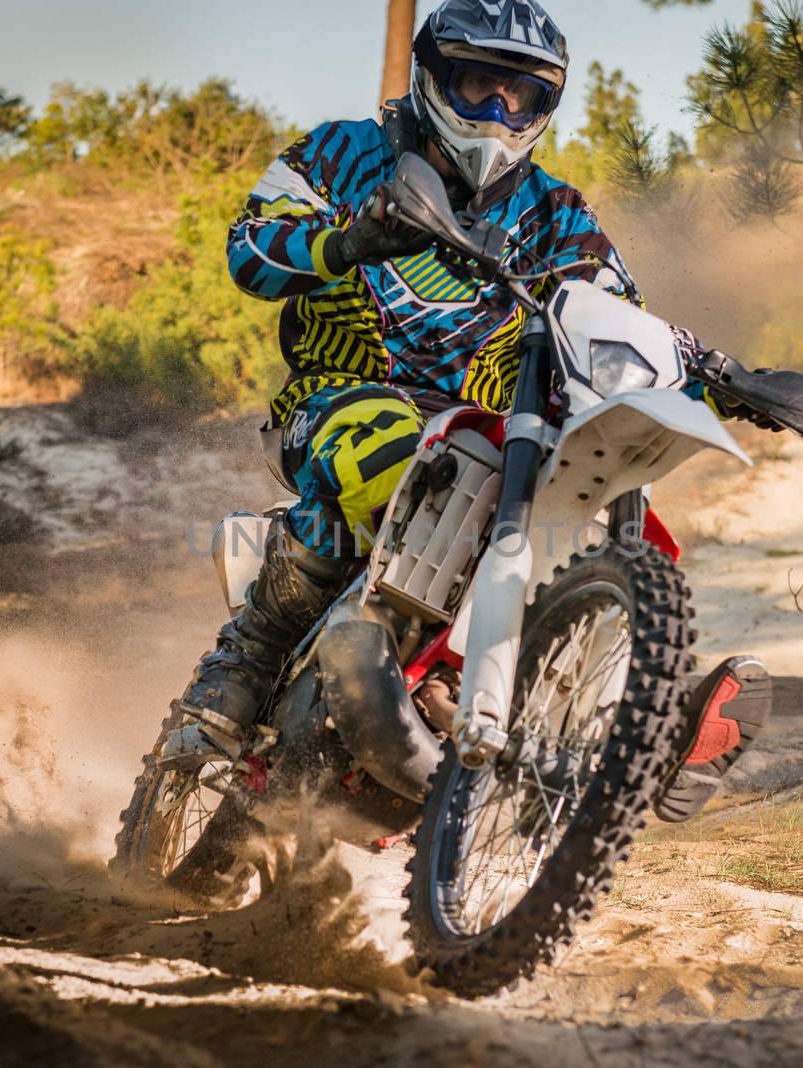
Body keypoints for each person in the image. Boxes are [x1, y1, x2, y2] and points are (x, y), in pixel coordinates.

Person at [169, 0, 770, 790]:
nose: (498, 111)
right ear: (432, 76)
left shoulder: (555, 212)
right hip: (341, 394)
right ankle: (242, 664)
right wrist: (346, 242)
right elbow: (251, 249)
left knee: (576, 492)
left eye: (521, 96)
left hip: (494, 424)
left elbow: (621, 314)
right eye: (481, 85)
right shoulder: (342, 154)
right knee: (383, 446)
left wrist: (731, 380)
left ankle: (626, 716)